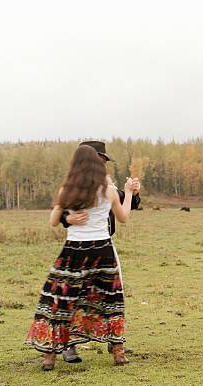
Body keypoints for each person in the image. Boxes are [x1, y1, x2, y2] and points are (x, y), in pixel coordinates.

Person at [25, 144, 135, 370]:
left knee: (60, 300)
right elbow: (123, 217)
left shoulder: (67, 190)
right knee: (110, 299)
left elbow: (53, 221)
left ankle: (49, 356)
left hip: (74, 252)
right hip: (102, 250)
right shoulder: (109, 189)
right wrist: (130, 193)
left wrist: (68, 217)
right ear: (97, 163)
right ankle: (118, 352)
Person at [60, 141, 141, 363]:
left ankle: (114, 341)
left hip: (105, 247)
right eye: (100, 160)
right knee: (77, 297)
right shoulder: (74, 186)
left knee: (112, 294)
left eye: (104, 161)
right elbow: (60, 213)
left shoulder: (106, 186)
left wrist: (133, 194)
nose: (103, 165)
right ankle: (70, 345)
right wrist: (67, 218)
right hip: (79, 249)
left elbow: (122, 206)